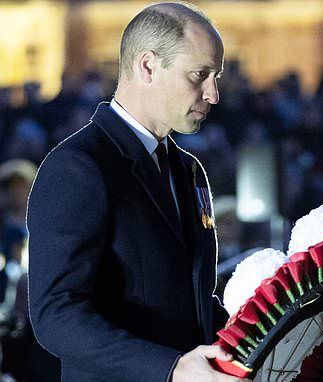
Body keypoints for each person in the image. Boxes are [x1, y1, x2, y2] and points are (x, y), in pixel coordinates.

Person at [27, 3, 250, 382]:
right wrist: (170, 368)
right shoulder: (79, 166)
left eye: (216, 76)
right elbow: (56, 315)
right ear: (147, 66)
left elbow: (192, 301)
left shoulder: (188, 169)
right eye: (199, 75)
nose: (213, 94)